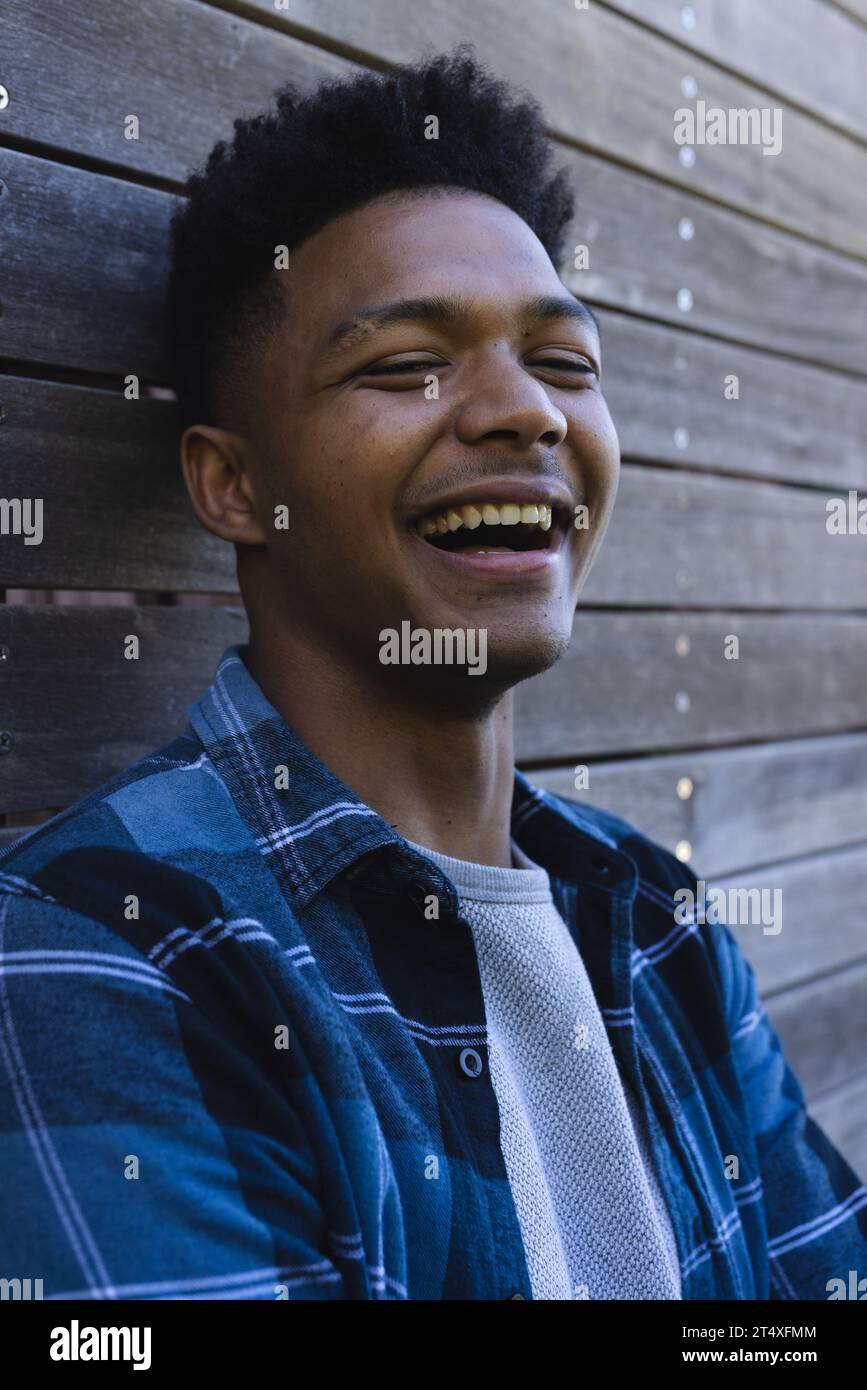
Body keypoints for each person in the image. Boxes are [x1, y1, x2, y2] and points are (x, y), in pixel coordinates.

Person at [1, 48, 864, 1301]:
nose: (531, 415)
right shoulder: (103, 958)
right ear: (234, 484)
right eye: (407, 367)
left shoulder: (657, 924)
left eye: (566, 365)